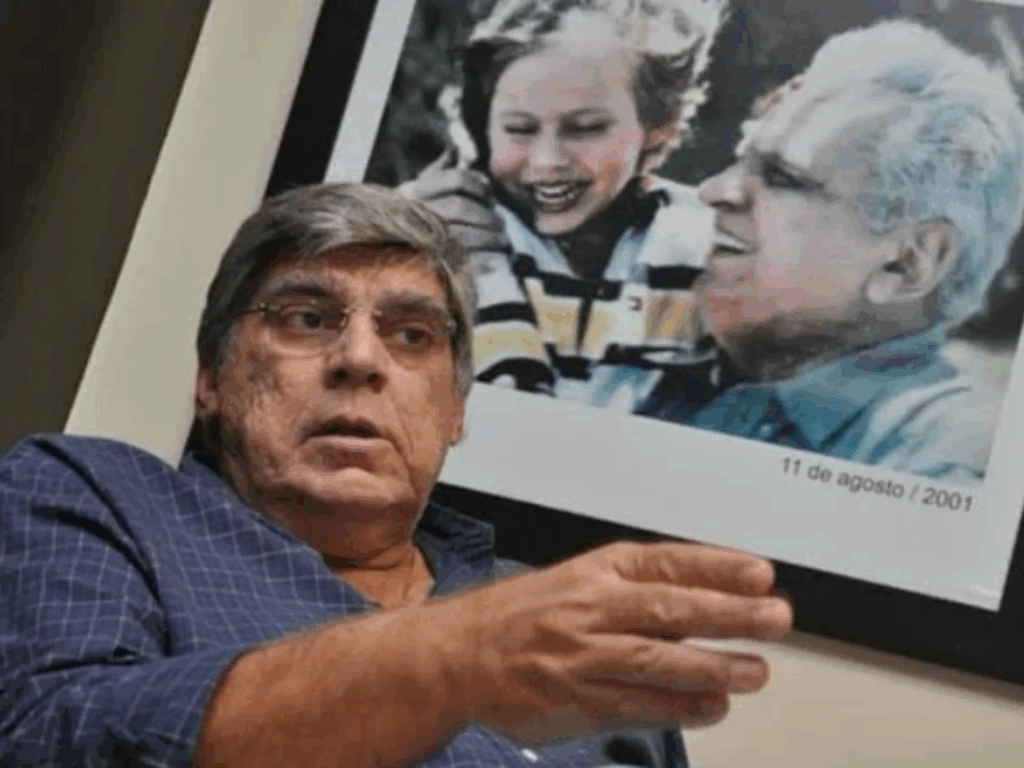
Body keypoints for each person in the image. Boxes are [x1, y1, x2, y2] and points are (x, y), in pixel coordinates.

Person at [0, 183, 793, 767]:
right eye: (306, 318)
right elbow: (52, 737)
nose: (359, 358)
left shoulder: (566, 629)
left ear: (455, 408)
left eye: (412, 335)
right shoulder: (96, 495)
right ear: (211, 376)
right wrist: (451, 654)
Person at [639, 19, 1024, 483]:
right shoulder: (681, 379)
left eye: (782, 177)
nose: (713, 189)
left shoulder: (946, 463)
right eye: (742, 159)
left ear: (907, 263)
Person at [401, 0, 728, 414]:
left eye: (585, 128)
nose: (547, 161)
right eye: (519, 128)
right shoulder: (433, 225)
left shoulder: (710, 246)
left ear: (658, 126)